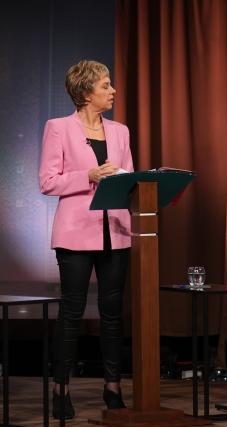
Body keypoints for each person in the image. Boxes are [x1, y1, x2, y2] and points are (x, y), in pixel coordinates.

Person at [39, 60, 133, 419]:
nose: (113, 90)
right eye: (106, 85)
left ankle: (113, 388)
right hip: (75, 234)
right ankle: (61, 389)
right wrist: (88, 175)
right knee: (72, 312)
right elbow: (48, 182)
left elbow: (128, 177)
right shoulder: (58, 128)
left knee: (113, 315)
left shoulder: (121, 131)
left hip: (116, 232)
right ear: (85, 91)